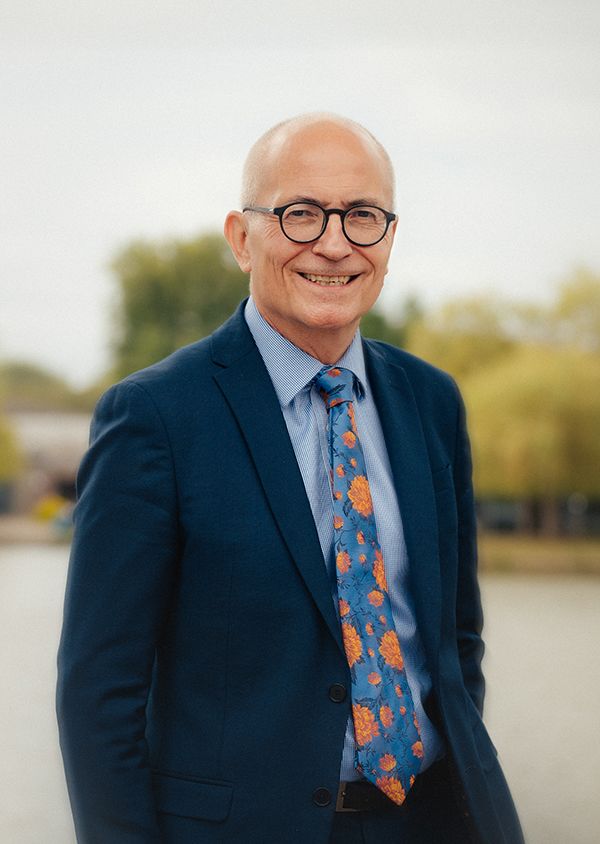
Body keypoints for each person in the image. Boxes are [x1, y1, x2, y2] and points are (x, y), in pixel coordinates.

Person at [57, 113, 524, 844]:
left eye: (362, 216)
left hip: (436, 820)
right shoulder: (154, 416)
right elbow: (99, 694)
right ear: (243, 239)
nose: (335, 244)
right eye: (301, 214)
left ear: (390, 241)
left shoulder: (432, 402)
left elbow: (454, 642)